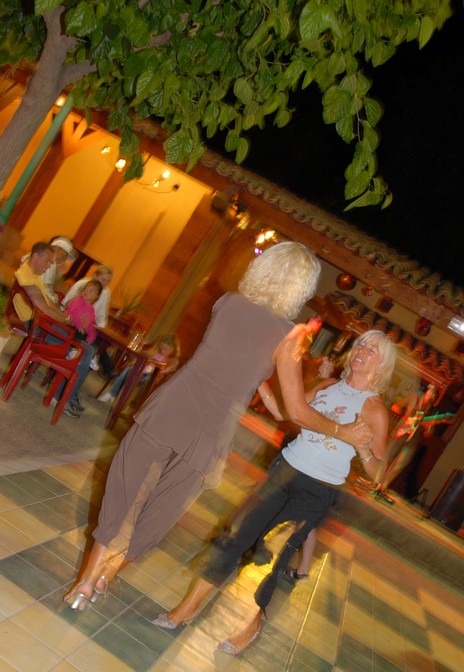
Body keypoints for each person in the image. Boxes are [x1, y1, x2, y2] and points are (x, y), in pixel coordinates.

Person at [62, 241, 372, 611]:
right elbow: (298, 411)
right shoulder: (290, 338)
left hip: (173, 404)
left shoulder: (226, 303)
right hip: (212, 426)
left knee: (124, 483)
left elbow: (231, 353)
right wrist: (342, 432)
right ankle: (107, 575)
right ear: (301, 289)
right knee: (167, 504)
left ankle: (86, 578)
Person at [154, 329, 396, 656]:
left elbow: (378, 472)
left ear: (382, 365)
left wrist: (363, 449)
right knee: (233, 535)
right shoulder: (326, 387)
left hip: (318, 490)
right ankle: (189, 607)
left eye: (372, 350)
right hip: (285, 470)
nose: (362, 351)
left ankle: (252, 624)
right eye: (361, 344)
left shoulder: (374, 409)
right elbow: (286, 413)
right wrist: (259, 383)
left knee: (270, 556)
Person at [13, 242, 96, 419]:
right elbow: (43, 307)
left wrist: (66, 319)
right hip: (36, 328)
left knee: (86, 349)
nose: (50, 265)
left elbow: (50, 304)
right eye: (47, 261)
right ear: (36, 256)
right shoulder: (26, 274)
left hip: (43, 325)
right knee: (84, 352)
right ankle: (61, 397)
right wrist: (68, 320)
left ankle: (64, 395)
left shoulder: (35, 277)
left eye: (51, 261)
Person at [374, 383, 439, 502]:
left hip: (412, 441)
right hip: (400, 433)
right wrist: (405, 418)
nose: (432, 394)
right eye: (430, 391)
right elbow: (395, 407)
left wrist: (430, 426)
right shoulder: (414, 399)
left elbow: (428, 434)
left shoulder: (431, 412)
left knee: (400, 464)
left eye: (434, 393)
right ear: (426, 391)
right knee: (386, 456)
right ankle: (375, 481)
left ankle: (383, 486)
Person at [63, 265, 115, 378]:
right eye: (103, 280)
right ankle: (81, 355)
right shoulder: (83, 285)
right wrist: (79, 321)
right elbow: (67, 303)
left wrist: (100, 326)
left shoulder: (105, 292)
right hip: (72, 320)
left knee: (100, 338)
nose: (105, 284)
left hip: (88, 322)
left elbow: (102, 314)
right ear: (95, 276)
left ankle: (90, 361)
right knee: (90, 342)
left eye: (108, 282)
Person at [97, 334, 180, 404]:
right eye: (161, 348)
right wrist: (137, 363)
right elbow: (146, 359)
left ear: (173, 349)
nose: (162, 351)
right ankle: (112, 394)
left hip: (152, 379)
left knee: (141, 377)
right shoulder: (156, 352)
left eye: (165, 349)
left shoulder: (173, 360)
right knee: (130, 369)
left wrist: (154, 370)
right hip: (143, 371)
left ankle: (130, 403)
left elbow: (167, 371)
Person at [20, 236, 76, 304]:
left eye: (65, 257)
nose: (64, 260)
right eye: (64, 255)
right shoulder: (46, 261)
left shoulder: (52, 264)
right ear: (57, 249)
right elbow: (44, 291)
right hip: (27, 296)